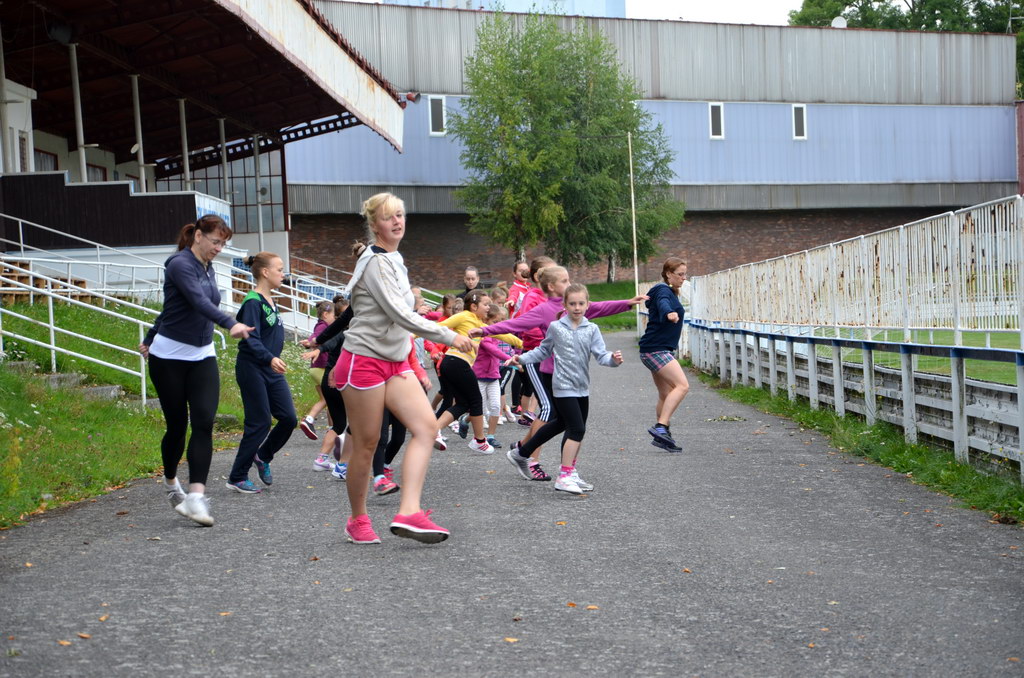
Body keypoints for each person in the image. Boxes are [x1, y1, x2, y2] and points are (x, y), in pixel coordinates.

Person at [338, 192, 472, 545]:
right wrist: (449, 335)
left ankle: (409, 512)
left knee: (426, 429)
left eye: (400, 214)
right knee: (367, 444)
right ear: (374, 224)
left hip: (396, 361)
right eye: (388, 217)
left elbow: (402, 315)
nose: (397, 221)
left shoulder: (394, 258)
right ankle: (357, 519)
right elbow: (400, 314)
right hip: (363, 360)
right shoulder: (375, 262)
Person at [471, 264, 645, 488]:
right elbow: (515, 324)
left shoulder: (578, 307)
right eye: (565, 281)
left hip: (578, 380)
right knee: (568, 423)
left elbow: (601, 307)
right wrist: (485, 330)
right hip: (555, 376)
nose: (570, 285)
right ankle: (558, 470)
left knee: (565, 423)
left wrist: (627, 303)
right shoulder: (548, 311)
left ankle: (529, 455)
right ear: (552, 287)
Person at [140, 215, 253, 527]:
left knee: (203, 422)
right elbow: (196, 301)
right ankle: (170, 481)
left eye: (223, 244)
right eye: (215, 242)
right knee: (177, 426)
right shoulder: (179, 264)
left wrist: (148, 334)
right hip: (169, 357)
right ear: (198, 236)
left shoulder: (207, 266)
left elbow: (172, 307)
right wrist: (230, 323)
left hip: (202, 354)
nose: (219, 248)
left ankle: (196, 497)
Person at [508, 283, 622, 494]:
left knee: (563, 424)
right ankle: (565, 475)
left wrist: (613, 360)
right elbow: (543, 351)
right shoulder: (556, 327)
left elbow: (601, 355)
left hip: (582, 387)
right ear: (565, 305)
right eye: (572, 304)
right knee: (576, 429)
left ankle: (522, 452)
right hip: (562, 386)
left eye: (581, 303)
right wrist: (521, 358)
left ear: (587, 305)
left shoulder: (592, 329)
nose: (577, 307)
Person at [226, 252, 298, 493]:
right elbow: (251, 338)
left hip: (270, 369)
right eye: (279, 269)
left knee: (288, 418)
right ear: (265, 272)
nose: (283, 274)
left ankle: (263, 456)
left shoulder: (270, 300)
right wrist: (270, 358)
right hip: (252, 367)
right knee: (259, 422)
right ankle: (237, 477)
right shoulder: (252, 302)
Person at [434, 290, 522, 454]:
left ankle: (435, 430)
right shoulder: (464, 316)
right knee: (476, 400)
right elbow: (437, 327)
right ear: (474, 306)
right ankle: (479, 440)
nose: (489, 307)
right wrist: (411, 336)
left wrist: (523, 345)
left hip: (453, 364)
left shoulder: (481, 325)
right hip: (456, 361)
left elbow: (504, 335)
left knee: (463, 403)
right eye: (486, 304)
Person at [639, 257, 690, 452]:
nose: (683, 278)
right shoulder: (663, 290)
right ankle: (660, 427)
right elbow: (662, 302)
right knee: (682, 386)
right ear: (669, 274)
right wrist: (669, 312)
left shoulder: (669, 292)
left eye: (685, 274)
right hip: (656, 350)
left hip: (653, 349)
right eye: (680, 274)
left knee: (665, 394)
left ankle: (663, 436)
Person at [298, 300, 337, 441]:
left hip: (317, 369)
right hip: (321, 368)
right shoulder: (323, 326)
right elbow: (316, 337)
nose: (336, 318)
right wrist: (310, 342)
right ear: (325, 314)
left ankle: (332, 429)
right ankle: (309, 419)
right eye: (334, 315)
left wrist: (309, 344)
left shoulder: (324, 326)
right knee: (329, 398)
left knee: (328, 399)